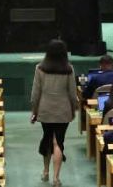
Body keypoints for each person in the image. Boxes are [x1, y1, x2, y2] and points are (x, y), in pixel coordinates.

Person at [30, 39, 78, 186]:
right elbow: (72, 92)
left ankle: (45, 171)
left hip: (45, 110)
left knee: (48, 138)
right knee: (58, 143)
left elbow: (35, 94)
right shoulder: (69, 69)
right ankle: (56, 178)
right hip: (63, 111)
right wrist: (73, 109)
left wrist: (34, 111)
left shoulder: (40, 68)